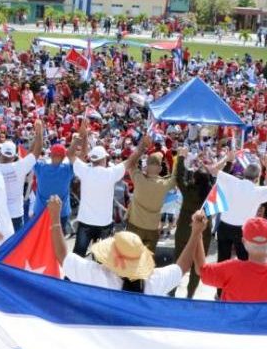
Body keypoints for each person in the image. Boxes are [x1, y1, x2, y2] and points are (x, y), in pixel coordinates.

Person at [47, 196, 194, 295]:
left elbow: (62, 256)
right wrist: (197, 233)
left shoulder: (98, 276)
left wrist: (55, 218)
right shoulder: (153, 281)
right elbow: (182, 267)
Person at [173, 147, 227, 297]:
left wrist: (181, 157)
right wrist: (228, 162)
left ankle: (171, 291)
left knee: (178, 261)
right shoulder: (211, 194)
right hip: (203, 233)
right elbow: (223, 179)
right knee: (198, 267)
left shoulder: (188, 191)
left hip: (185, 229)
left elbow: (179, 177)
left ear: (194, 179)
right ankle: (190, 295)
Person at [72, 122, 128, 256]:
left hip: (85, 222)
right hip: (104, 224)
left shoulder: (84, 171)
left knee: (78, 256)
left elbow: (75, 157)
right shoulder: (111, 173)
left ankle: (70, 277)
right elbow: (128, 163)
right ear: (104, 159)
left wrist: (82, 136)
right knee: (102, 259)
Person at [215, 152, 267, 262]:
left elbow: (213, 170)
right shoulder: (258, 191)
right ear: (258, 177)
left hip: (224, 226)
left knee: (222, 260)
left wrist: (227, 158)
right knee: (244, 261)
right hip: (243, 229)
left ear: (244, 172)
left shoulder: (232, 181)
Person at [124, 135, 176, 252]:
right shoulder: (165, 184)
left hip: (134, 225)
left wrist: (142, 147)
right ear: (160, 169)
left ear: (146, 167)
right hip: (152, 229)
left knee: (130, 257)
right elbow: (176, 176)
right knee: (147, 261)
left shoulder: (138, 178)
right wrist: (173, 158)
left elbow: (130, 163)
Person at [0, 121, 42, 231]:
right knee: (17, 247)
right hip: (16, 214)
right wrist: (39, 133)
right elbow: (35, 153)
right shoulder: (20, 166)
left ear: (0, 153)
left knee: (1, 247)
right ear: (14, 156)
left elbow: (31, 154)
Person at [31, 142, 76, 232]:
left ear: (50, 155)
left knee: (41, 242)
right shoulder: (69, 170)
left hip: (40, 212)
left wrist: (38, 134)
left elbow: (32, 155)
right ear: (63, 157)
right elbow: (74, 157)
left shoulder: (40, 167)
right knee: (57, 242)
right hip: (61, 213)